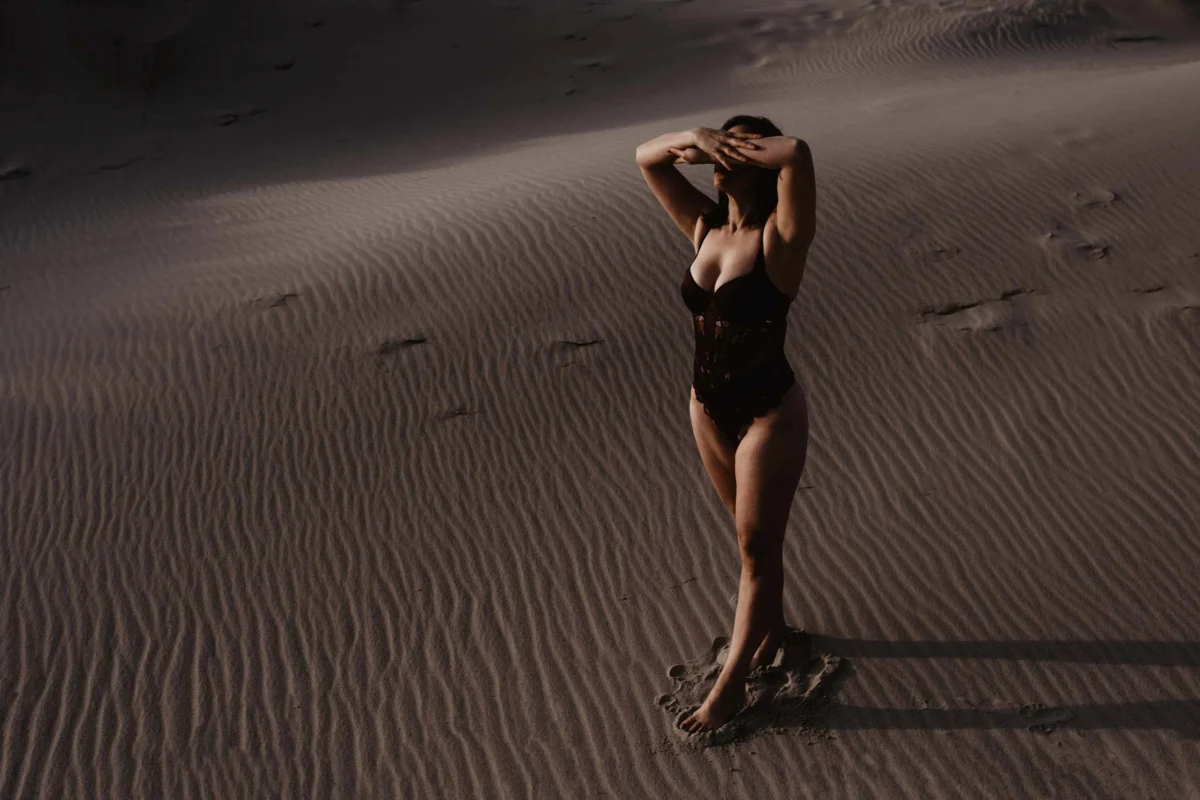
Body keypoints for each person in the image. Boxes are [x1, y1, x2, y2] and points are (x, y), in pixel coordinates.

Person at [634, 115, 817, 735]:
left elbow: (799, 153)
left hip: (769, 412)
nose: (720, 160)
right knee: (753, 543)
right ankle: (773, 625)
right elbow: (646, 158)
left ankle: (731, 686)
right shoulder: (704, 227)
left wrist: (742, 147)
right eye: (720, 149)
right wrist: (695, 133)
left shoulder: (781, 240)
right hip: (707, 409)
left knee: (754, 546)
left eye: (738, 149)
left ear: (759, 163)